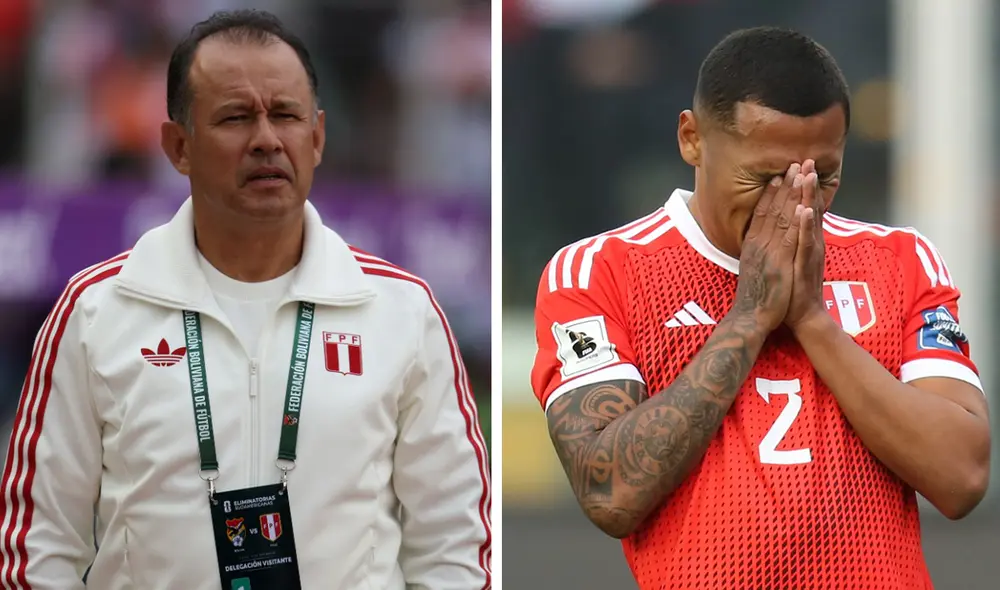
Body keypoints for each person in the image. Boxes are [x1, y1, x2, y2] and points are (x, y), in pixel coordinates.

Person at [0, 10, 491, 590]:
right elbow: (38, 546)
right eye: (235, 117)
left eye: (285, 115)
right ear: (178, 146)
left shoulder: (402, 311)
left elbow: (454, 547)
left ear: (318, 137)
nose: (265, 139)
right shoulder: (94, 311)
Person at [530, 26, 989, 590]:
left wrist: (811, 319)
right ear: (692, 139)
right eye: (766, 177)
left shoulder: (900, 260)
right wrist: (749, 316)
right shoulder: (600, 271)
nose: (797, 201)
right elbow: (610, 493)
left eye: (822, 177)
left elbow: (962, 479)